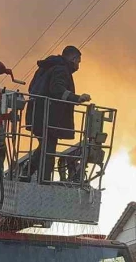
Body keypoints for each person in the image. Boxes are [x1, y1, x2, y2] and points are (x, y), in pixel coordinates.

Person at [25, 45, 92, 182]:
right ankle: (44, 181)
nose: (78, 66)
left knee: (45, 146)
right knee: (48, 151)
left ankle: (27, 172)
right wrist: (77, 98)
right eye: (78, 61)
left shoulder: (46, 68)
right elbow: (57, 89)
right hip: (49, 118)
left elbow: (32, 88)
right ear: (73, 58)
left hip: (37, 115)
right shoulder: (61, 69)